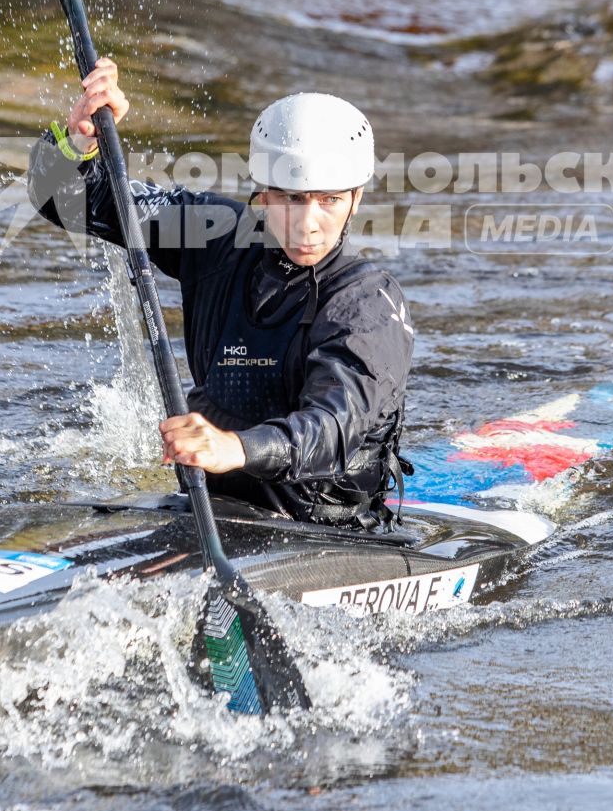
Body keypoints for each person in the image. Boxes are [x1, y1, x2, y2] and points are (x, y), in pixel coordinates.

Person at [26, 58, 415, 529]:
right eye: (292, 198)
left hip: (324, 525)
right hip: (214, 507)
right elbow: (69, 201)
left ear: (356, 198)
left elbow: (334, 428)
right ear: (265, 192)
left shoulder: (367, 303)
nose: (309, 223)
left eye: (330, 200)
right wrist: (80, 141)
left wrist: (236, 447)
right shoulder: (216, 235)